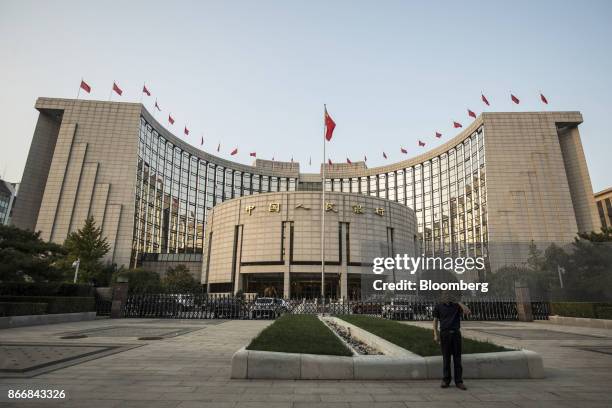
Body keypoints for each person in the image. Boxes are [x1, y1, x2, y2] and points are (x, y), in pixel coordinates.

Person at [432, 293, 471, 390]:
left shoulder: (456, 306)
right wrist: (435, 334)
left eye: (449, 293)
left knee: (457, 359)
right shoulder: (438, 306)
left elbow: (467, 312)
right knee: (446, 359)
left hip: (456, 334)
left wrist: (458, 302)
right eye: (445, 294)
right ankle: (446, 380)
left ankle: (459, 381)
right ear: (442, 296)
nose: (447, 296)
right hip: (444, 334)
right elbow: (435, 320)